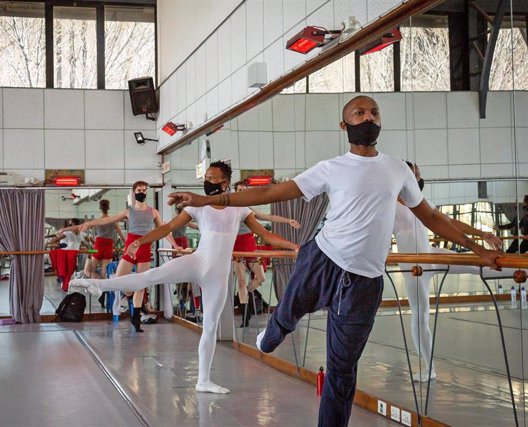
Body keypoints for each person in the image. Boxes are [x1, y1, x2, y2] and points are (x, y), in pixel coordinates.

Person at [168, 96, 502, 426]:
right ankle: (273, 333)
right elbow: (270, 193)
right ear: (345, 125)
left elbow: (430, 216)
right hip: (322, 260)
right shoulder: (331, 168)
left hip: (364, 282)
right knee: (287, 314)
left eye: (374, 112)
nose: (368, 118)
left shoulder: (397, 169)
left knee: (342, 373)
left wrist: (478, 250)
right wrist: (208, 199)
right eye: (359, 113)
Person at [70, 161, 298, 394]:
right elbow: (167, 228)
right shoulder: (197, 206)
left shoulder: (240, 209)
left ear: (224, 183)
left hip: (218, 275)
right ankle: (97, 284)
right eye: (205, 178)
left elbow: (266, 235)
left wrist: (295, 247)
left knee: (210, 327)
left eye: (211, 178)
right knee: (149, 276)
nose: (206, 182)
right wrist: (141, 240)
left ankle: (203, 380)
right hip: (197, 261)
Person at [393, 162, 503, 382]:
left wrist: (482, 234)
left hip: (432, 255)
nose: (419, 179)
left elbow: (448, 221)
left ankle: (514, 269)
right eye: (415, 176)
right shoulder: (389, 205)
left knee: (479, 264)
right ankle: (428, 368)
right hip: (415, 266)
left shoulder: (422, 204)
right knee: (420, 315)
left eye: (419, 175)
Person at [78, 181, 181, 332]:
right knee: (120, 280)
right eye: (139, 190)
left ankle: (136, 317)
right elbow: (108, 220)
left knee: (141, 284)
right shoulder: (129, 211)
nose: (142, 192)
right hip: (130, 248)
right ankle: (132, 299)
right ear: (134, 192)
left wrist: (175, 245)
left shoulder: (153, 212)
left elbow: (164, 230)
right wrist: (90, 223)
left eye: (145, 190)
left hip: (145, 248)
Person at [232, 180, 300, 326]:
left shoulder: (248, 209)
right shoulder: (231, 208)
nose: (242, 193)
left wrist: (287, 221)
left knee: (261, 278)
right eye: (239, 190)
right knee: (241, 281)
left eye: (244, 190)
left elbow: (267, 217)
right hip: (237, 248)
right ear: (235, 191)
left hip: (250, 247)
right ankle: (245, 314)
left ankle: (243, 298)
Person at [86, 199, 126, 279]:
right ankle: (104, 289)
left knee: (89, 271)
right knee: (105, 272)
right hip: (109, 245)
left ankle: (97, 286)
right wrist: (126, 243)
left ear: (100, 208)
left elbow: (87, 231)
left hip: (99, 244)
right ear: (108, 208)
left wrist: (91, 241)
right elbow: (120, 234)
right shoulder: (114, 221)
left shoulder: (97, 221)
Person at [52, 218, 90, 291]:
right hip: (68, 253)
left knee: (72, 270)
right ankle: (66, 284)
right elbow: (90, 241)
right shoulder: (70, 233)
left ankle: (68, 284)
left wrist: (52, 241)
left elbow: (57, 239)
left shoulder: (80, 234)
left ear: (73, 224)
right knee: (68, 270)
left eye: (71, 224)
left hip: (73, 254)